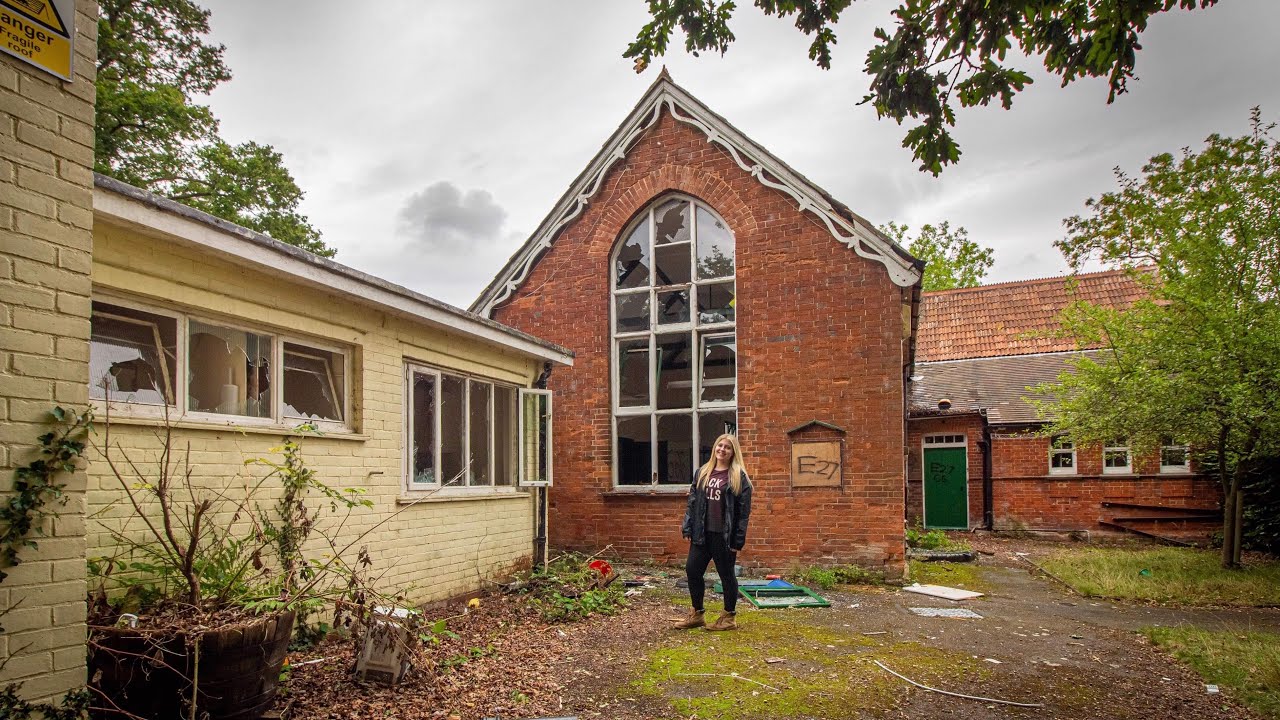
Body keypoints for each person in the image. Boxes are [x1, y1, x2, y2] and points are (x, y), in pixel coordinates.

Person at [675, 433, 753, 631]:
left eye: (727, 447)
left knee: (726, 575)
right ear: (715, 448)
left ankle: (729, 618)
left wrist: (738, 540)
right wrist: (688, 526)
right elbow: (692, 503)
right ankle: (697, 615)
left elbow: (743, 513)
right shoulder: (703, 472)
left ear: (733, 452)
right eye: (720, 445)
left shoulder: (739, 477)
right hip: (702, 533)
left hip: (724, 536)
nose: (722, 449)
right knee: (692, 570)